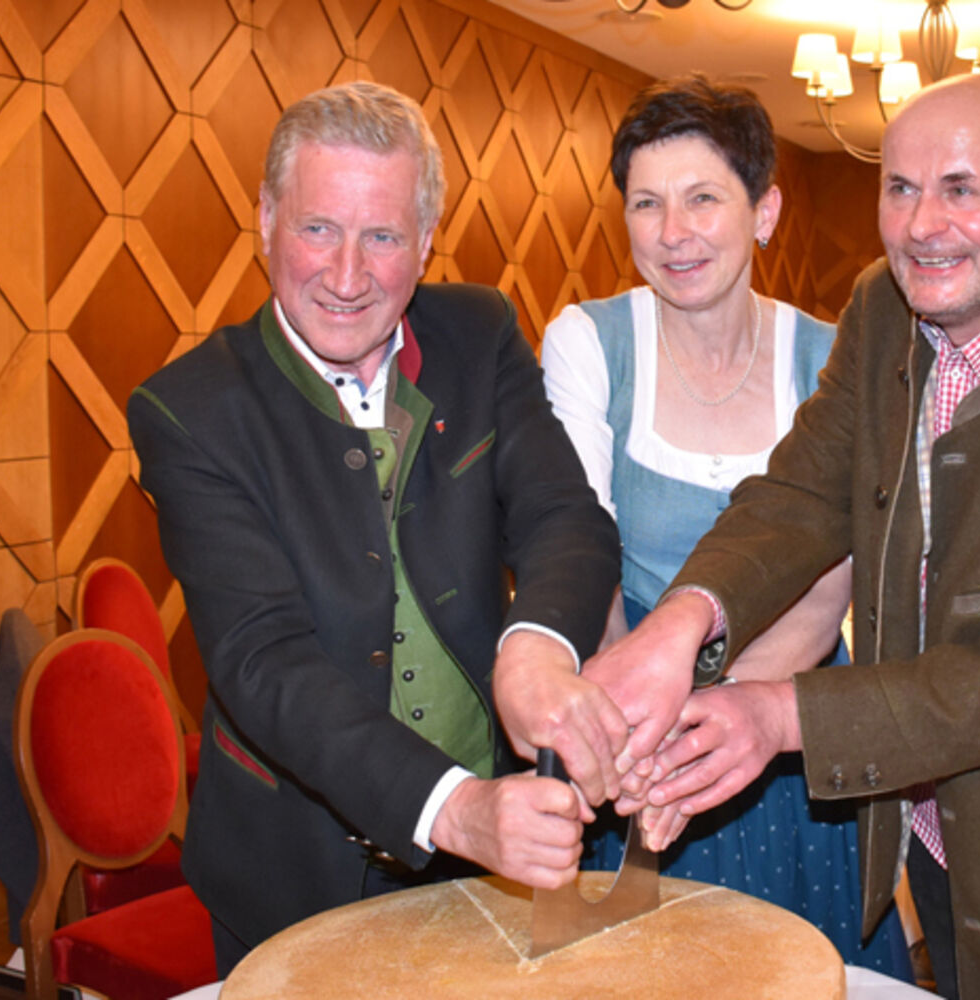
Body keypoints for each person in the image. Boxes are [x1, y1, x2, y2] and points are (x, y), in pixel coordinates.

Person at [571, 74, 980, 999]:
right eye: (899, 188)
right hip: (930, 835)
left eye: (960, 188)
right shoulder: (884, 305)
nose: (921, 225)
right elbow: (805, 488)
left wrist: (779, 714)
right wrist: (683, 621)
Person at [126, 81, 624, 974]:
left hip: (496, 864)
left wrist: (538, 647)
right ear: (267, 218)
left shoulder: (480, 333)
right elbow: (262, 660)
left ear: (426, 241)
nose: (347, 276)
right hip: (292, 871)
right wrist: (456, 808)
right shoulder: (190, 410)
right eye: (318, 228)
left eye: (384, 237)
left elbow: (565, 517)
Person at [538, 74, 906, 975]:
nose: (674, 232)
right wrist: (639, 733)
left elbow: (824, 594)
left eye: (703, 198)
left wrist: (711, 720)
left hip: (781, 717)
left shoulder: (832, 357)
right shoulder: (588, 342)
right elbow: (579, 553)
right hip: (623, 723)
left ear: (764, 211)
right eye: (647, 203)